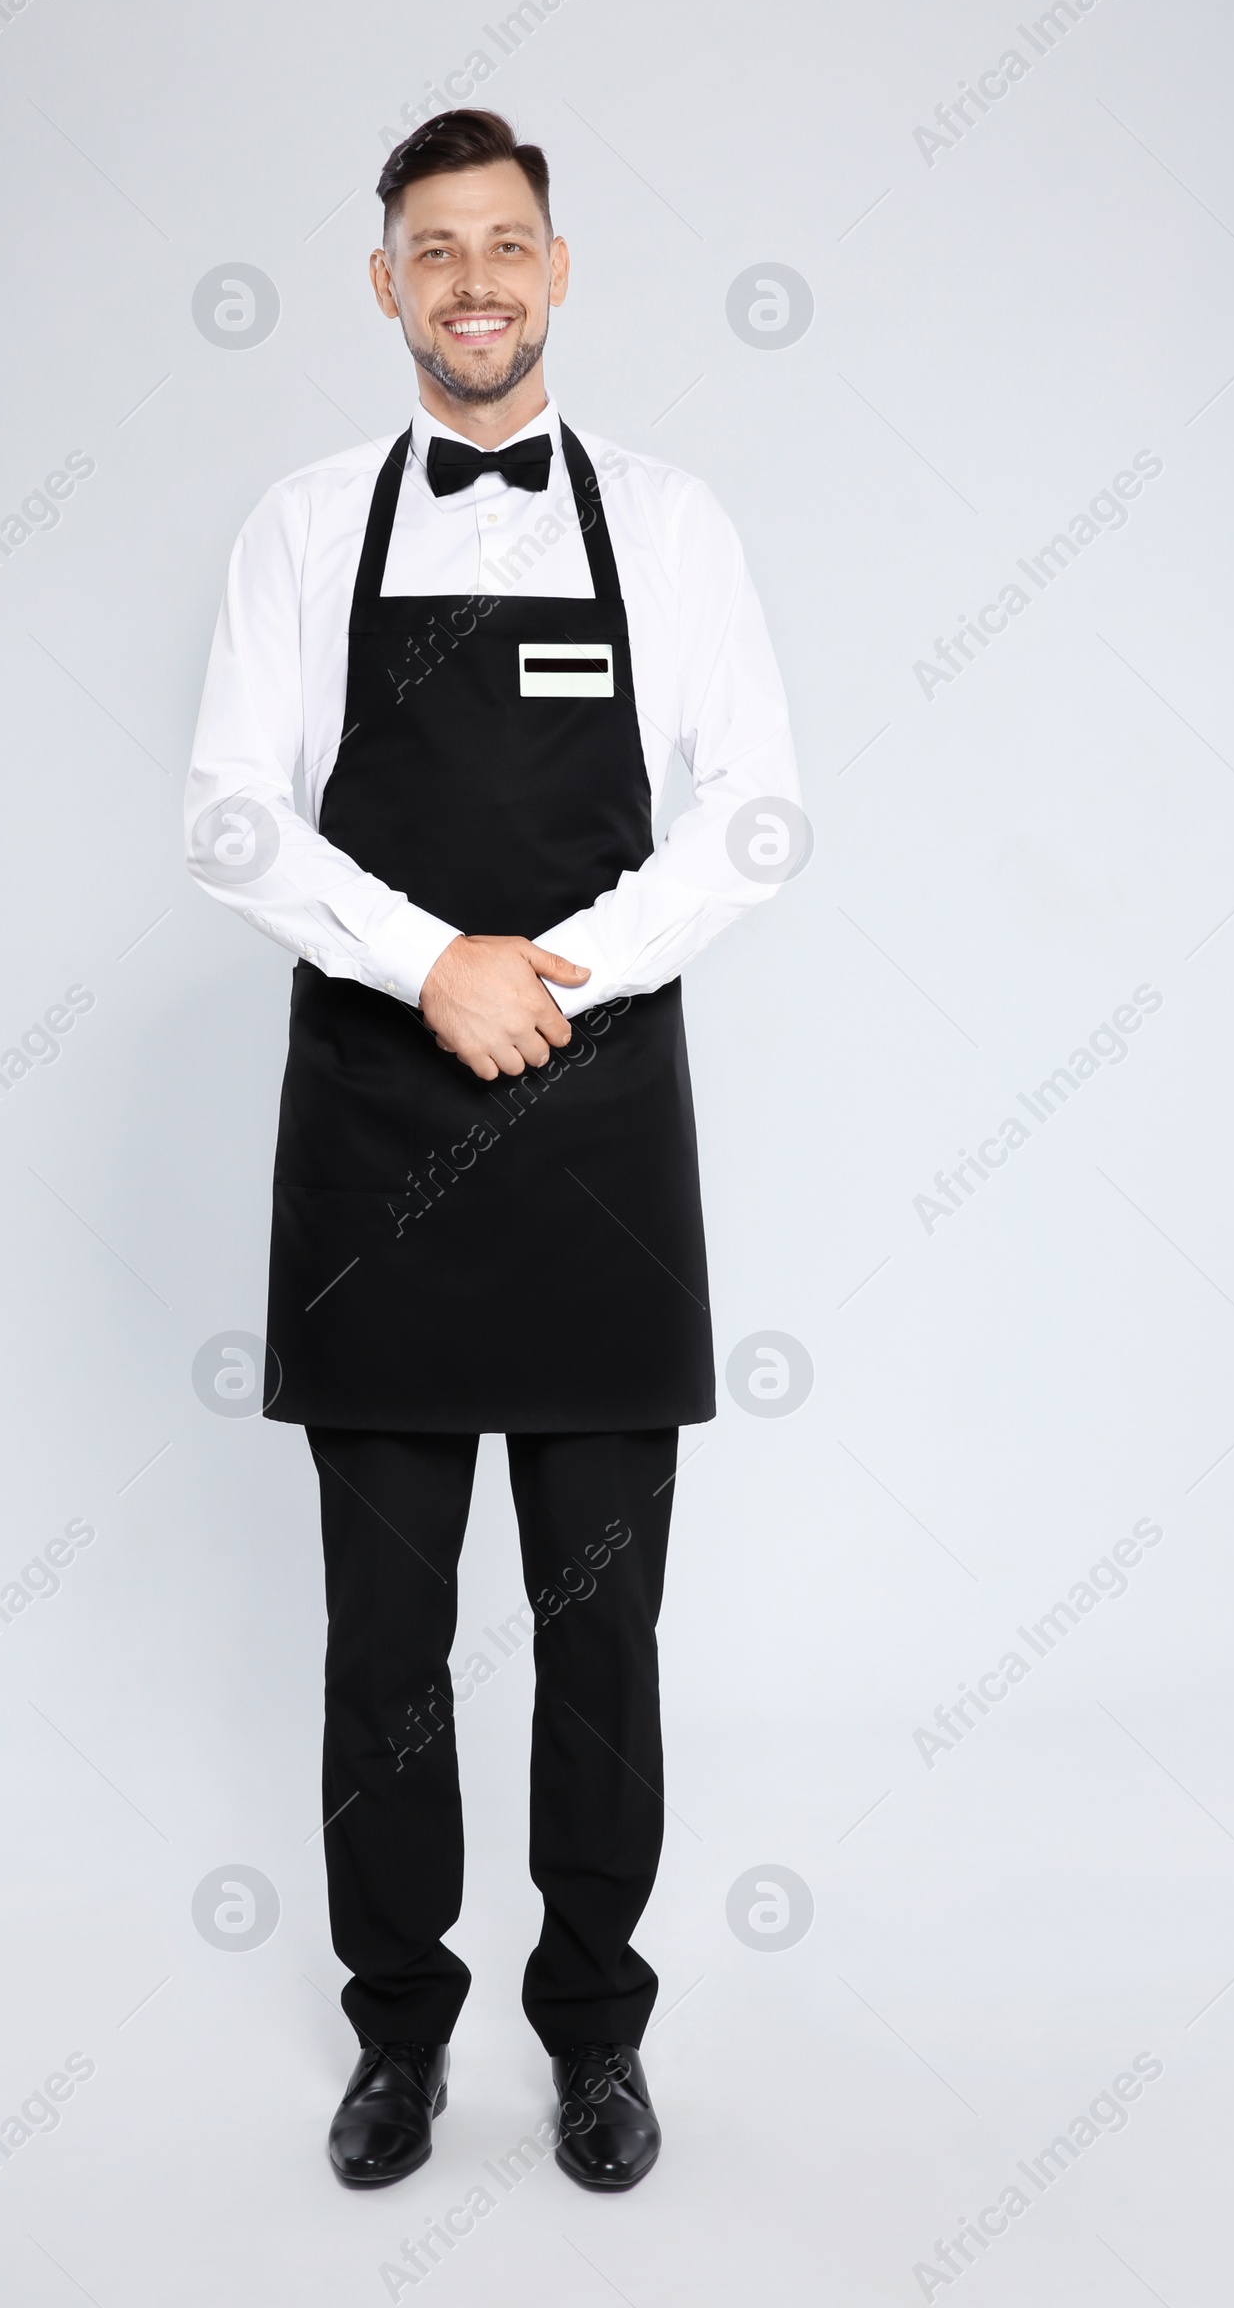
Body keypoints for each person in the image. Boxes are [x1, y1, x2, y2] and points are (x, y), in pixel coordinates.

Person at [184, 108, 799, 2191]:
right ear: (382, 285)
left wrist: (559, 974)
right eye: (431, 249)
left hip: (599, 1141)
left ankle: (598, 2036)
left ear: (557, 269)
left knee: (595, 1636)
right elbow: (230, 818)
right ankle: (394, 2033)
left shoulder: (674, 522)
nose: (471, 280)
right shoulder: (294, 527)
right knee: (382, 1637)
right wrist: (429, 960)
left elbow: (755, 817)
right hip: (372, 1141)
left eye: (505, 245)